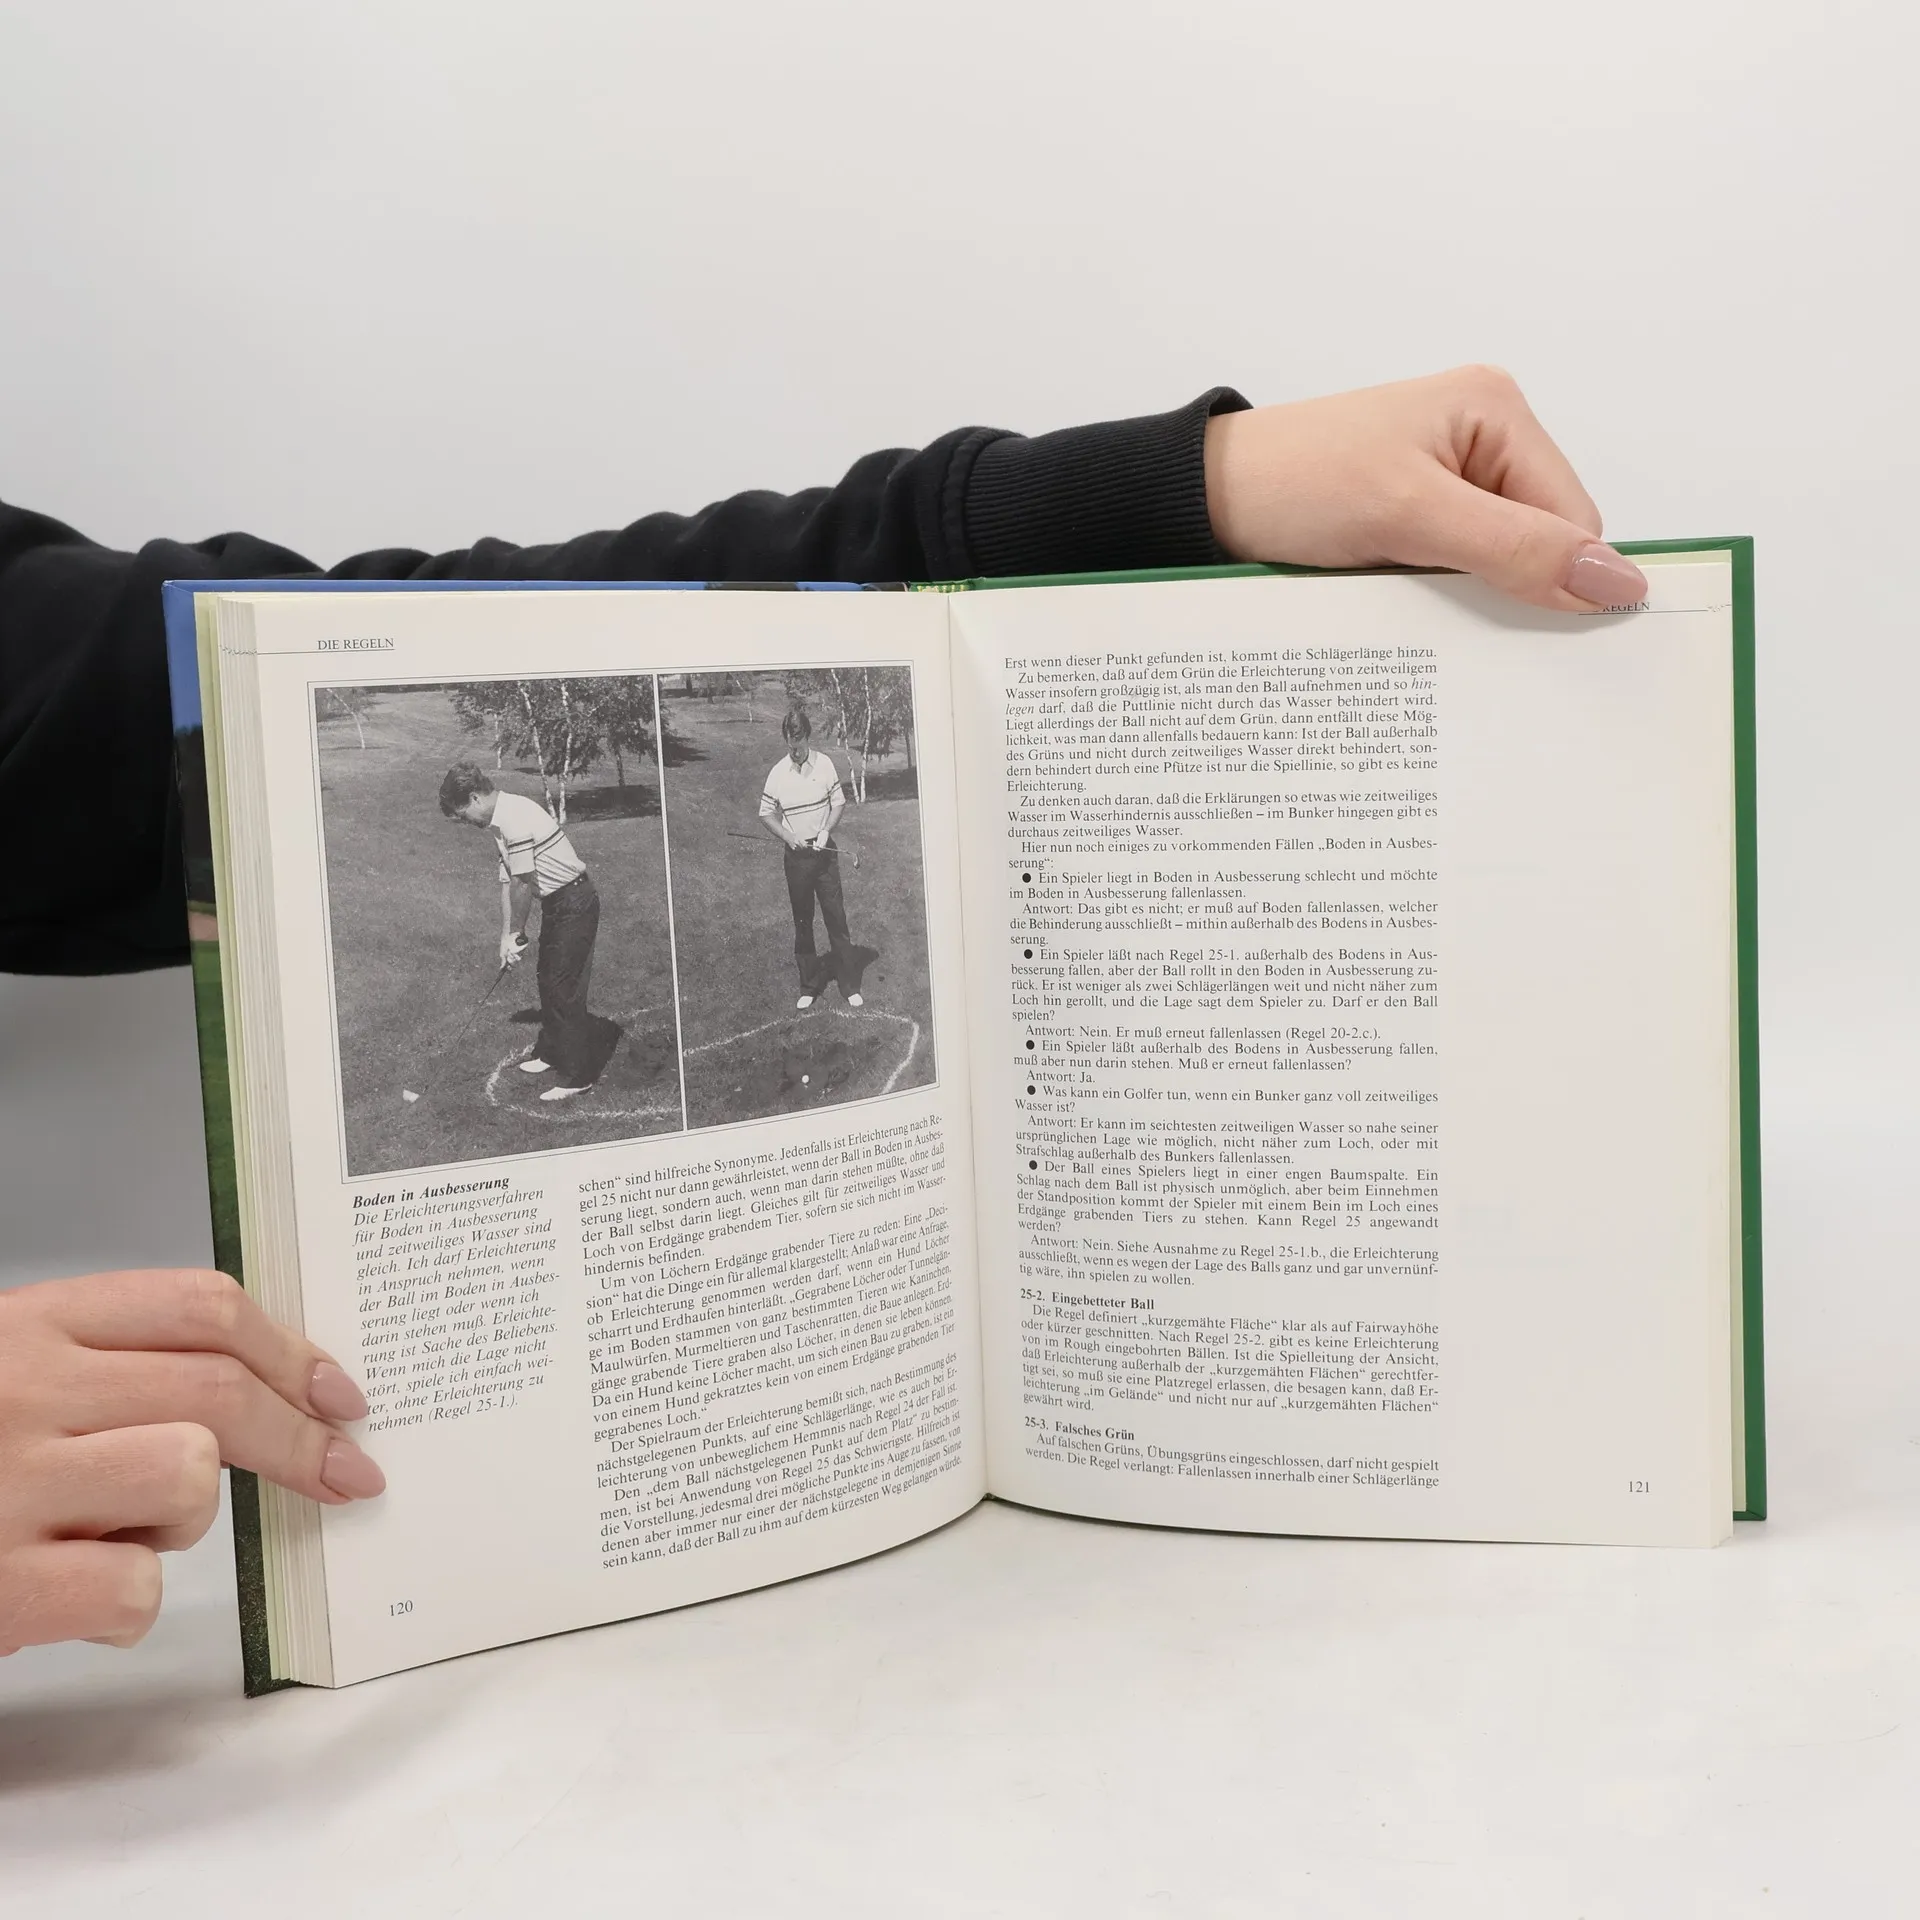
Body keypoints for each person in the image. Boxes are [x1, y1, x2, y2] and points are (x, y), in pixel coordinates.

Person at [0, 367, 1652, 1656]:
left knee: (750, 935)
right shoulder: (528, 814)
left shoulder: (524, 794)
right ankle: (663, 1015)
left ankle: (659, 1020)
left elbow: (311, 658)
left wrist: (1182, 491)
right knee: (737, 935)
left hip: (629, 888)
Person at [438, 763, 622, 1099]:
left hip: (575, 900)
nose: (467, 823)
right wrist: (506, 937)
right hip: (557, 902)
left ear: (475, 798)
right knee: (547, 979)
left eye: (464, 815)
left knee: (563, 985)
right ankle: (551, 1052)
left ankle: (578, 1076)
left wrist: (517, 933)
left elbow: (523, 882)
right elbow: (508, 881)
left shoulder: (513, 818)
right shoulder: (499, 822)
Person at [758, 707, 862, 1011]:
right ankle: (809, 985)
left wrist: (825, 831)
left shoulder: (825, 764)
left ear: (807, 737)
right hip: (797, 859)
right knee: (803, 922)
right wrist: (788, 836)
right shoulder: (778, 772)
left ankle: (849, 985)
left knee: (836, 918)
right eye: (791, 746)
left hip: (824, 855)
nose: (796, 752)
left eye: (800, 744)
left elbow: (838, 803)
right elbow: (765, 813)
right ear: (786, 740)